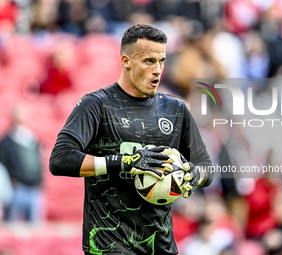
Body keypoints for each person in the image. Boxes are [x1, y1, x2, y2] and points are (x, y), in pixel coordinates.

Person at [49, 24, 213, 255]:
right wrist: (125, 162)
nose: (158, 70)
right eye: (149, 61)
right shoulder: (97, 105)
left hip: (161, 246)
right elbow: (60, 159)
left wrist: (196, 175)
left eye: (162, 61)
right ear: (126, 61)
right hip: (109, 246)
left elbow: (206, 167)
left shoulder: (175, 109)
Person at [0, 105, 43, 222]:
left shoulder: (32, 138)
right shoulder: (6, 142)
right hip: (16, 189)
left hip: (34, 189)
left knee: (34, 229)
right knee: (11, 225)